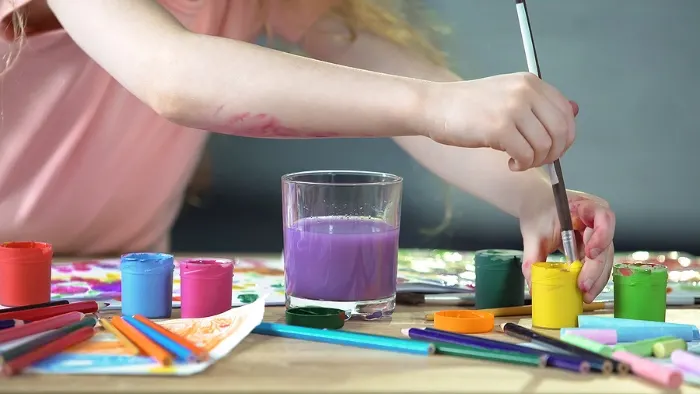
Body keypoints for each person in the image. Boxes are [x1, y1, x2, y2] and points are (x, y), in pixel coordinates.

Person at [0, 0, 615, 302]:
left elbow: (390, 73)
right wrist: (432, 105)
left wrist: (534, 200)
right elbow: (174, 77)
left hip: (120, 291)